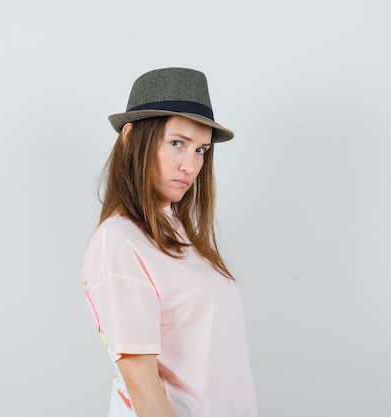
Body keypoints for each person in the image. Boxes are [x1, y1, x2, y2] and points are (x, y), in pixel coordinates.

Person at [82, 67, 259, 417]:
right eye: (177, 143)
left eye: (200, 150)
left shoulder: (175, 231)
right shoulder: (119, 242)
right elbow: (143, 388)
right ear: (131, 138)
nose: (190, 166)